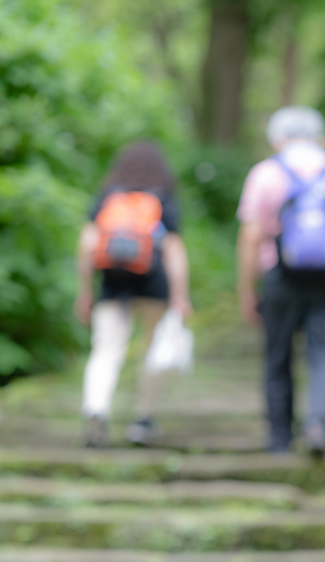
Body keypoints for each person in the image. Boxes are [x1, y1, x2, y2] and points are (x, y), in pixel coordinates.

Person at [236, 106, 325, 454]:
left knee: (277, 355)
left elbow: (250, 236)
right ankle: (317, 423)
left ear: (277, 139)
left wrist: (246, 288)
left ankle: (279, 439)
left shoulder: (266, 174)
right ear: (320, 137)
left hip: (278, 275)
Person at [74, 141, 192, 448]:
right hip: (154, 286)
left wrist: (84, 291)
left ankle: (97, 409)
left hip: (113, 284)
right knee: (151, 352)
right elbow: (174, 251)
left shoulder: (106, 199)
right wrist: (180, 296)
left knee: (105, 350)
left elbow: (87, 245)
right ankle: (143, 420)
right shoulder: (163, 200)